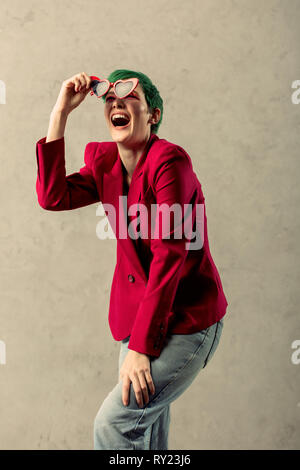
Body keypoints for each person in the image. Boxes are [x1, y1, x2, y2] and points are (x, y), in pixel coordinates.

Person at [35, 69, 228, 450]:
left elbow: (169, 254)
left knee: (114, 427)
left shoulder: (170, 162)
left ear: (153, 115)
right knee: (144, 437)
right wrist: (61, 113)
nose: (117, 103)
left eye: (130, 97)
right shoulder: (104, 161)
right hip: (138, 317)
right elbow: (53, 197)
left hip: (186, 319)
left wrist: (141, 348)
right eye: (109, 99)